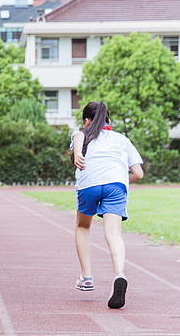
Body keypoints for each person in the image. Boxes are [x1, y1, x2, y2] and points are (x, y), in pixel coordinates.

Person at [70, 100, 144, 309]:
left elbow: (78, 135)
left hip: (89, 183)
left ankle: (87, 277)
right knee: (114, 234)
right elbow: (138, 173)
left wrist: (77, 154)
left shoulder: (82, 135)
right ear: (108, 120)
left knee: (83, 226)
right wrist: (118, 178)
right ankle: (119, 274)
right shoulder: (122, 139)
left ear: (86, 121)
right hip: (116, 185)